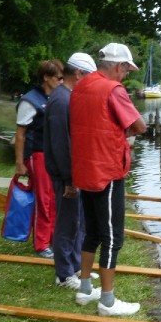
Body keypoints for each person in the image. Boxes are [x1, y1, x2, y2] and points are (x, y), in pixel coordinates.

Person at [70, 43, 147, 316]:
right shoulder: (113, 89)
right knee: (113, 237)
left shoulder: (80, 86)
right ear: (119, 66)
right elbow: (140, 126)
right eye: (127, 69)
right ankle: (108, 301)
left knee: (91, 231)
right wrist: (114, 134)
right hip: (107, 171)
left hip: (84, 170)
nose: (126, 76)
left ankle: (84, 288)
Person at [44, 52, 97, 290]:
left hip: (75, 174)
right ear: (78, 73)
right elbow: (61, 144)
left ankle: (75, 266)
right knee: (67, 223)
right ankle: (64, 274)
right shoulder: (61, 100)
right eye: (89, 76)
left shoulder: (68, 97)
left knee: (78, 222)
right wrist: (69, 179)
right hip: (68, 176)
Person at [14, 59, 63, 258]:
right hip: (37, 154)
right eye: (58, 78)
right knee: (44, 200)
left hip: (53, 155)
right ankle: (41, 244)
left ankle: (52, 238)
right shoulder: (30, 100)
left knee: (53, 198)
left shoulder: (56, 97)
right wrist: (19, 162)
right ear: (46, 78)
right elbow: (20, 134)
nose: (61, 81)